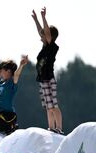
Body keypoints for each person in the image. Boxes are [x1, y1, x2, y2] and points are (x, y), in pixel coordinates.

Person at [32, 6, 63, 134]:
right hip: (42, 79)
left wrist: (44, 17)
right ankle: (51, 128)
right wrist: (36, 19)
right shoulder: (44, 46)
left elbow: (46, 33)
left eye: (44, 34)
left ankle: (59, 128)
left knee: (54, 106)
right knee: (48, 107)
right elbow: (42, 31)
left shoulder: (52, 47)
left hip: (49, 79)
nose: (41, 36)